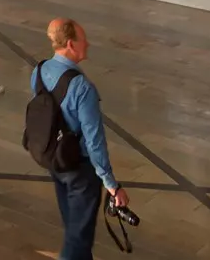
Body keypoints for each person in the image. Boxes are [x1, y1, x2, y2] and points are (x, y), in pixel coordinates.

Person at [35, 18, 125, 260]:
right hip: (80, 171)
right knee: (77, 239)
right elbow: (94, 141)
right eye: (84, 40)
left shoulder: (39, 71)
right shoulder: (82, 87)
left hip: (55, 160)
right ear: (71, 44)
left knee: (75, 229)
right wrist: (112, 185)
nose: (88, 44)